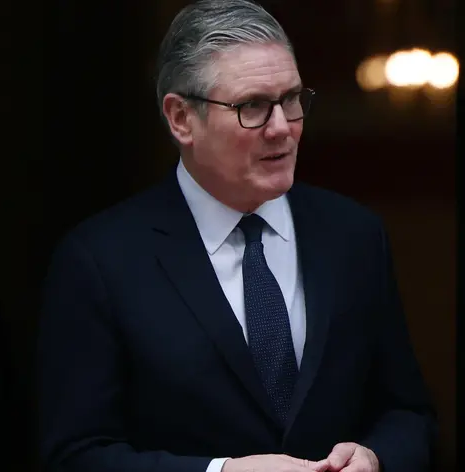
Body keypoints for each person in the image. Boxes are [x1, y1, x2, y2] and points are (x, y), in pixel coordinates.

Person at [35, 1, 436, 471]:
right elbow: (76, 453)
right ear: (181, 118)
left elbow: (409, 415)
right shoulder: (100, 261)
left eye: (291, 99)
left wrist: (375, 458)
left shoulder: (353, 236)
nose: (282, 128)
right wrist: (221, 471)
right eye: (253, 106)